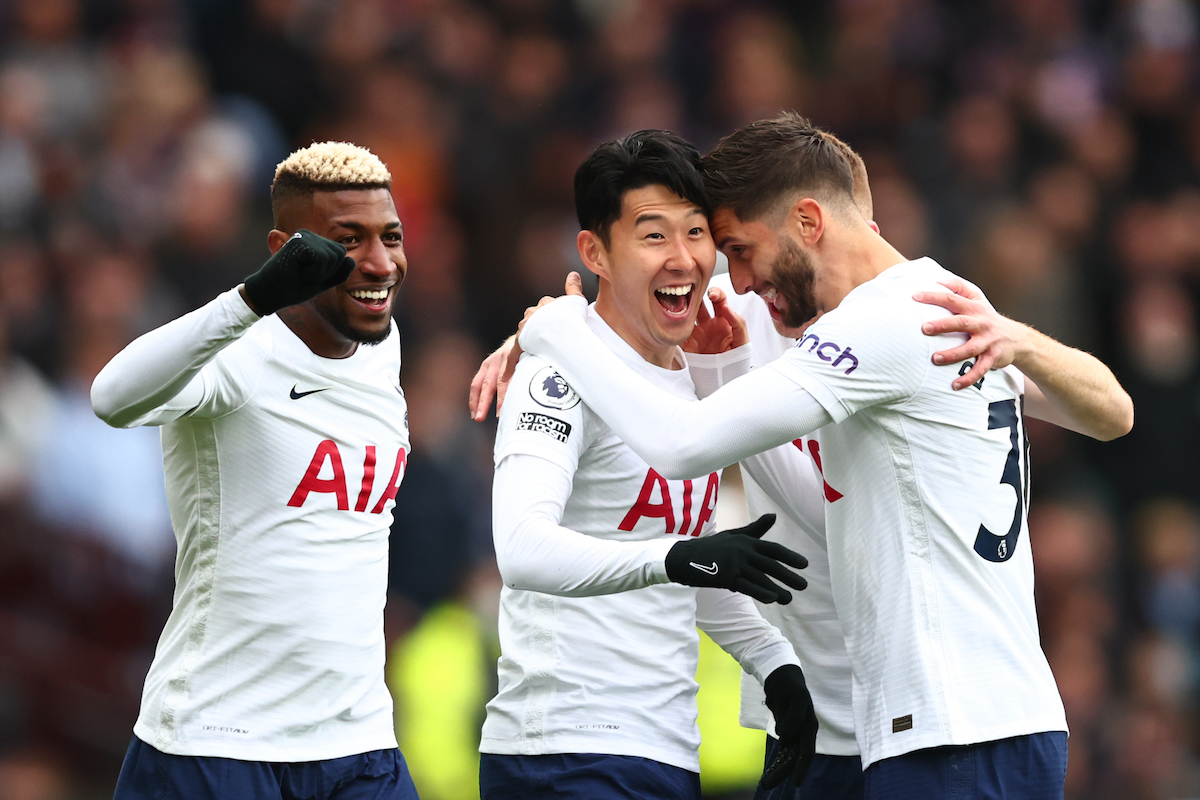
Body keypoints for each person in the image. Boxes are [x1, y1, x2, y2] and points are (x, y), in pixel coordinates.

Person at [514, 113, 1134, 800]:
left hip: (950, 730)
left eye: (741, 251)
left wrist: (556, 333)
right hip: (972, 717)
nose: (737, 279)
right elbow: (1113, 412)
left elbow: (681, 446)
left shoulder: (876, 327)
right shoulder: (948, 302)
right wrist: (1017, 338)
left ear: (809, 222)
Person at [478, 129, 819, 800]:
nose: (683, 258)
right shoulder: (557, 372)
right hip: (564, 751)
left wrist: (779, 669)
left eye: (696, 233)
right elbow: (520, 549)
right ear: (594, 252)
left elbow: (684, 567)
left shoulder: (690, 379)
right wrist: (675, 558)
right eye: (653, 235)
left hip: (662, 751)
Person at [91, 142, 419, 800]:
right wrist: (251, 299)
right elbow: (111, 397)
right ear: (286, 249)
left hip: (358, 744)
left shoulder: (382, 350)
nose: (380, 263)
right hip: (218, 743)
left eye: (391, 237)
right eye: (348, 241)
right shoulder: (237, 353)